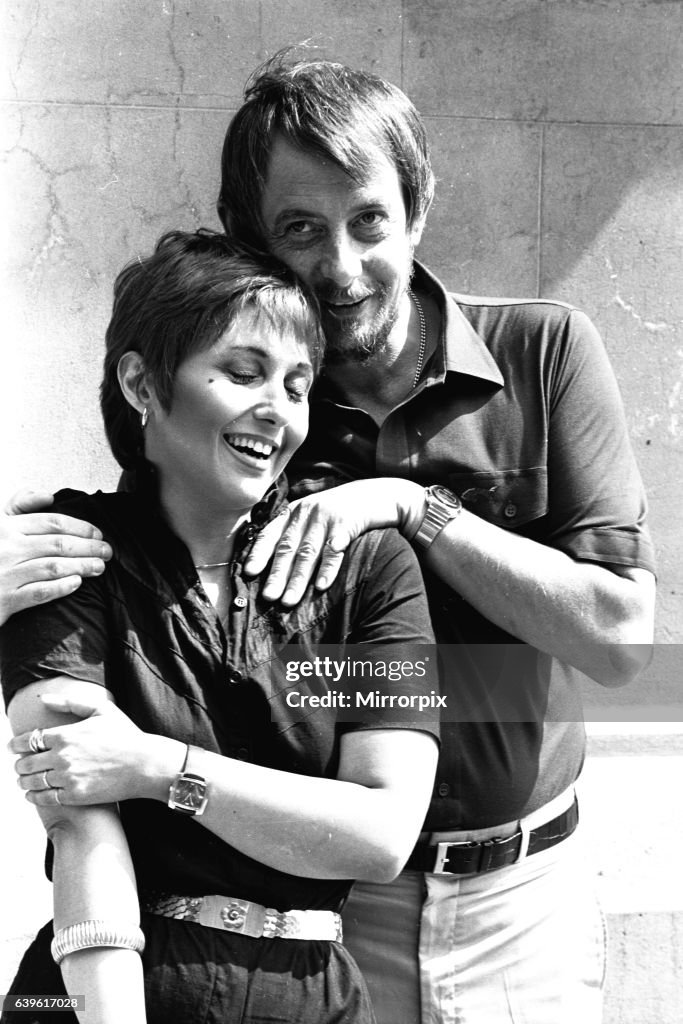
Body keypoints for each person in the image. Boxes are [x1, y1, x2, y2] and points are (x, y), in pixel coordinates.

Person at [1, 52, 656, 1024]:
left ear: (416, 211)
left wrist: (413, 509)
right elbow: (138, 597)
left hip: (519, 891)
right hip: (332, 909)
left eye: (368, 220)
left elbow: (615, 642)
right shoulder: (248, 435)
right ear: (253, 241)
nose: (342, 266)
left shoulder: (542, 351)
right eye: (300, 229)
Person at [0, 229, 440, 1024]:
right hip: (95, 991)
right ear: (141, 383)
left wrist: (160, 767)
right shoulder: (69, 553)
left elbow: (379, 831)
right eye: (243, 373)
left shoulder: (370, 568)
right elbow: (76, 821)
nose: (277, 411)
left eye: (299, 384)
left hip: (312, 992)